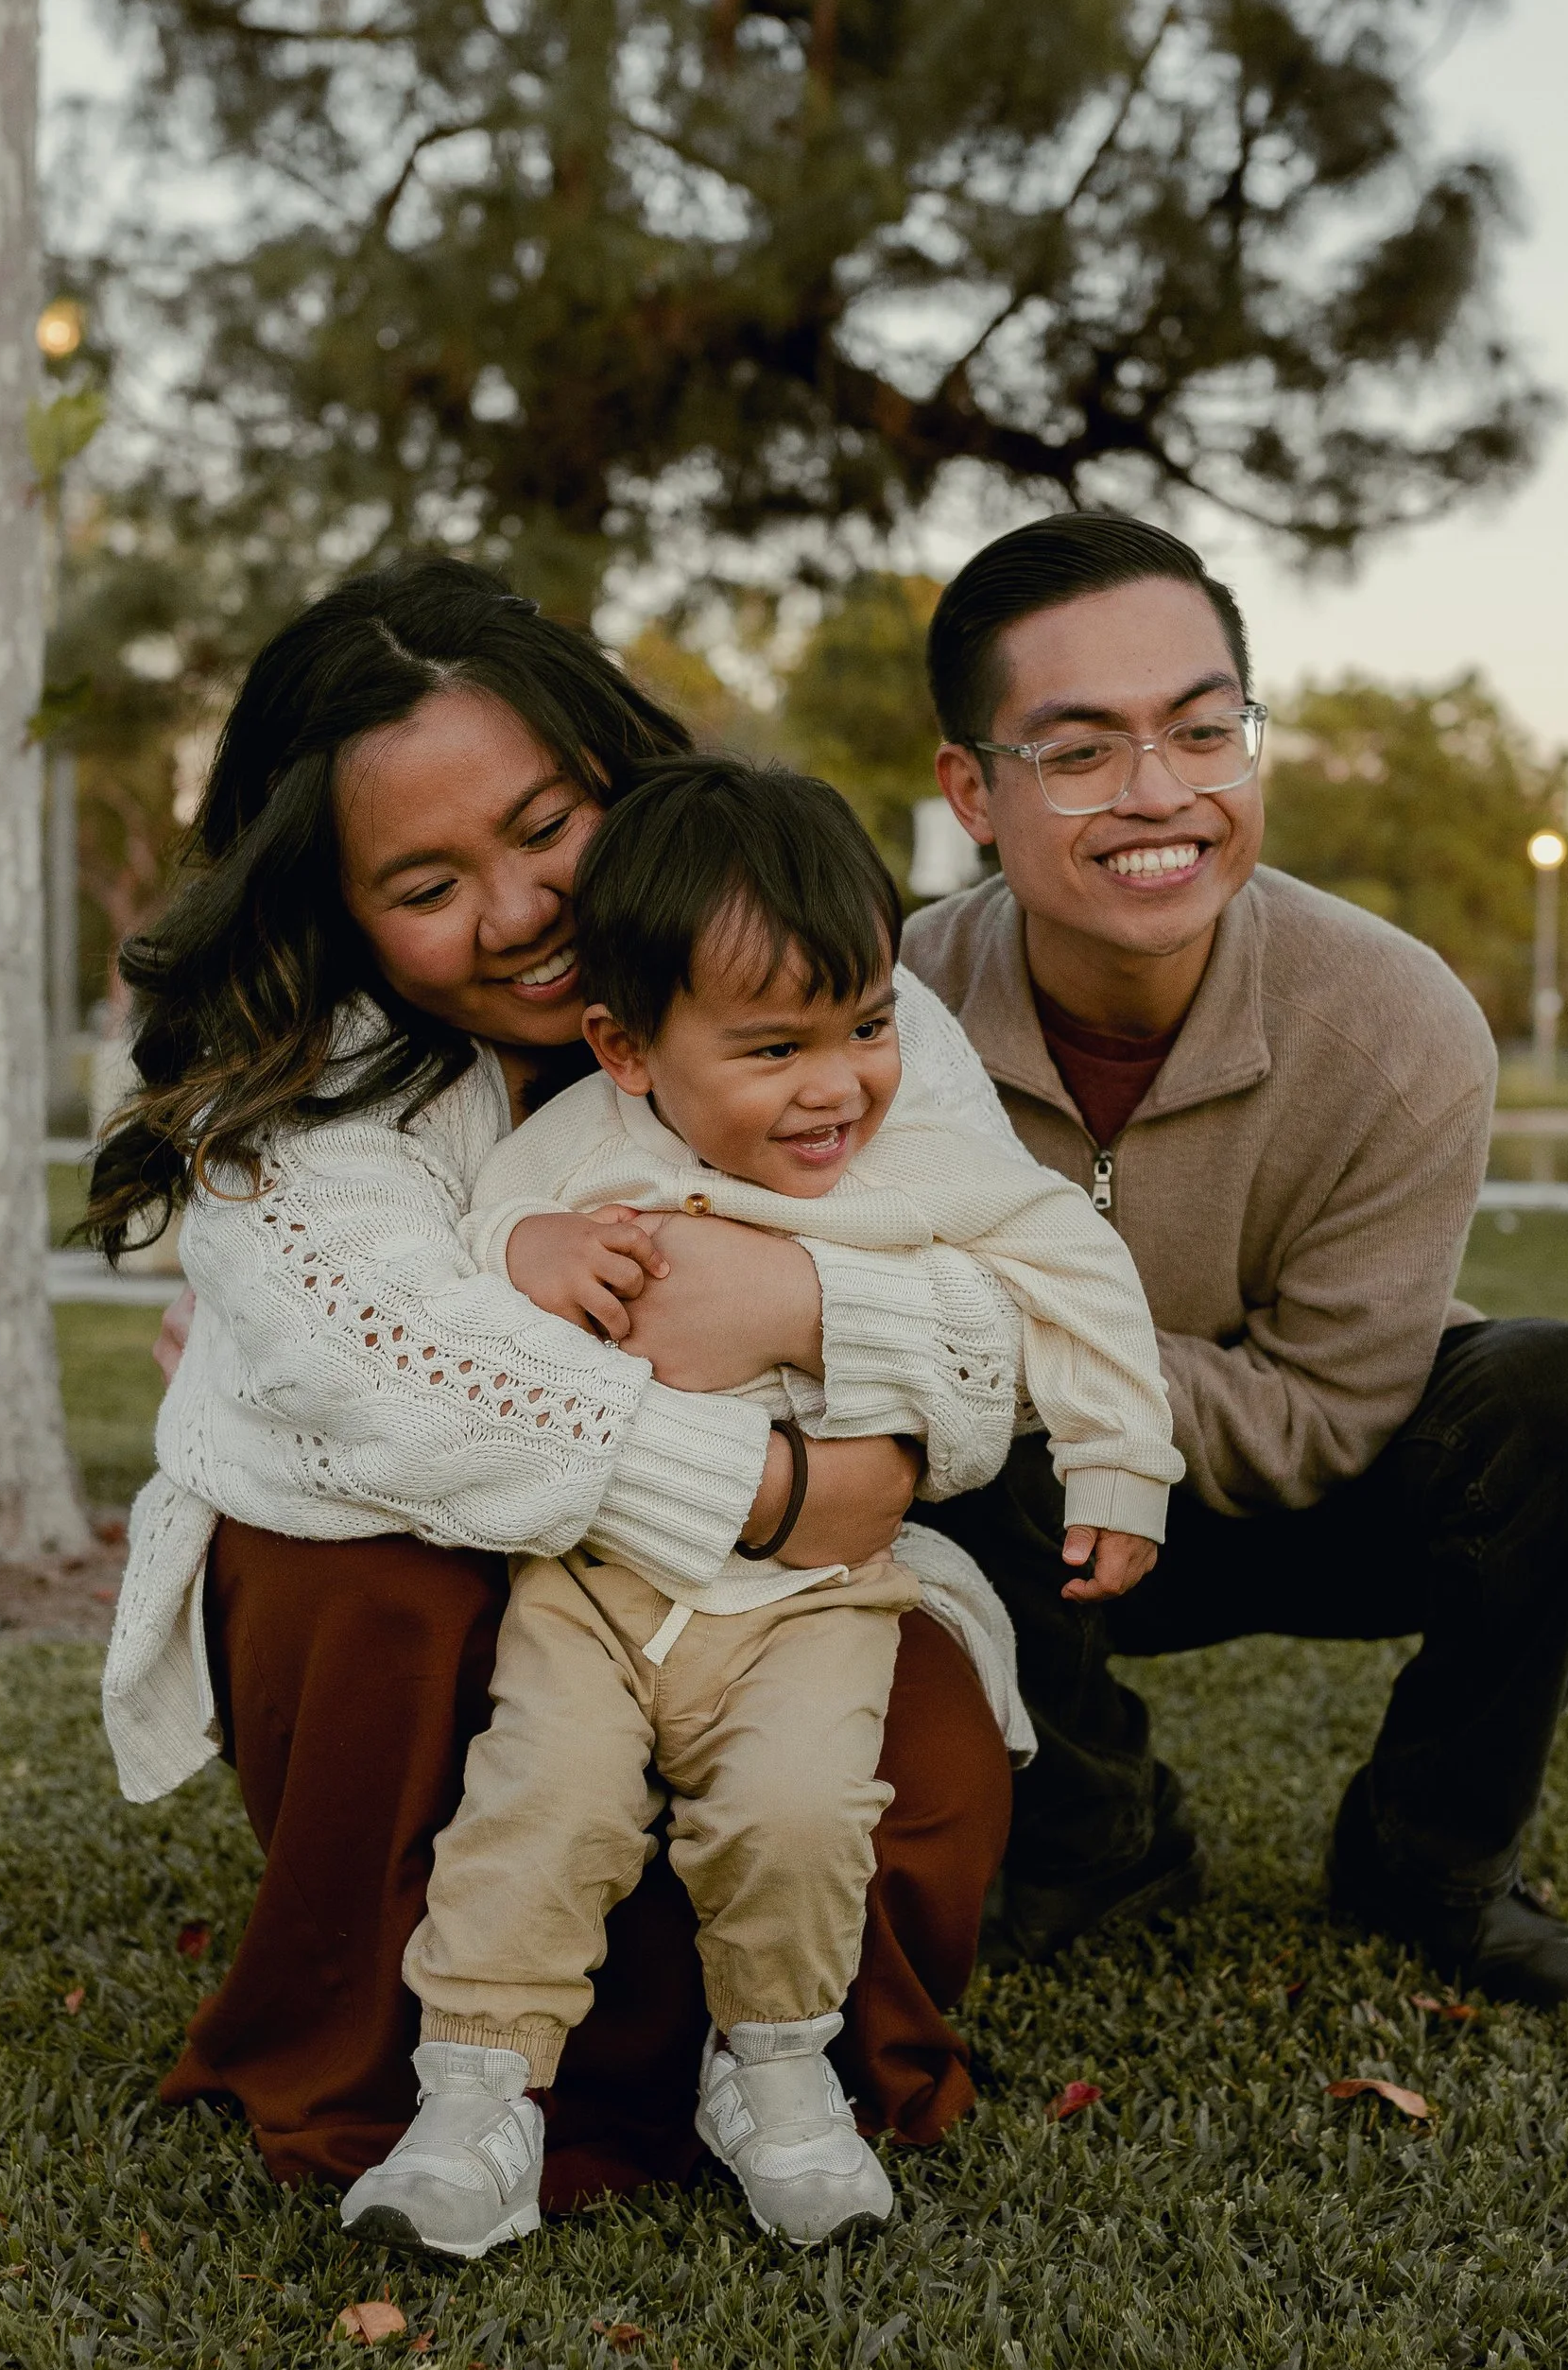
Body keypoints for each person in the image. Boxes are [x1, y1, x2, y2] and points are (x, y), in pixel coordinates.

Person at [91, 559, 1028, 2208]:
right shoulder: (295, 1081)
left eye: (543, 828)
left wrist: (793, 1295)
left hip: (755, 1604)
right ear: (329, 898)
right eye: (428, 880)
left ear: (616, 772)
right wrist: (783, 1484)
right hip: (449, 1575)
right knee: (387, 1604)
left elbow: (994, 1318)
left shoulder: (808, 968)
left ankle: (765, 2071)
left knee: (920, 1760)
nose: (519, 910)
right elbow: (387, 1369)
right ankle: (441, 2081)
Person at [354, 758, 1179, 2258]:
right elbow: (454, 1261)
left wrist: (1126, 1464)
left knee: (799, 1816)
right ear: (625, 1046)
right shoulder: (573, 1154)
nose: (835, 1083)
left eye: (866, 1024)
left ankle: (777, 2073)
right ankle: (476, 2099)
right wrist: (527, 1247)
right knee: (540, 1806)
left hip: (814, 1597)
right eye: (775, 1045)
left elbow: (1074, 1272)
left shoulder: (916, 1156)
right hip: (595, 1587)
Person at [907, 515, 1568, 2006]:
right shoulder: (885, 1014)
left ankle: (1432, 1848)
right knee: (918, 1415)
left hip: (1318, 1488)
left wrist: (1032, 1354)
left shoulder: (1399, 1021)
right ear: (972, 790)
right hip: (1015, 1506)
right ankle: (1095, 1829)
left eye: (1206, 732)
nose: (1163, 794)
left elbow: (1332, 1409)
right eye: (1079, 751)